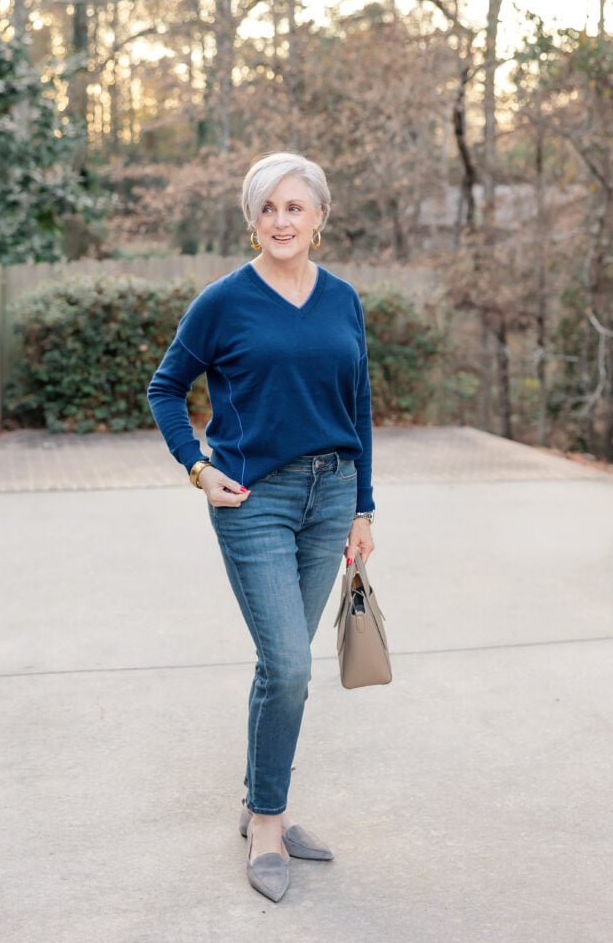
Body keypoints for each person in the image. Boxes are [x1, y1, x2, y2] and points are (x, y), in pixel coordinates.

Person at [147, 152, 375, 903]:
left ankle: (258, 802)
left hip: (331, 496)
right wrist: (196, 466)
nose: (281, 220)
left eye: (294, 207)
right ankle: (269, 824)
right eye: (267, 208)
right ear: (252, 220)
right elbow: (166, 387)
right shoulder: (223, 301)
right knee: (288, 665)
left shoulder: (342, 299)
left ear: (319, 217)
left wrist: (363, 507)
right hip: (254, 502)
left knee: (283, 668)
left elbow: (358, 405)